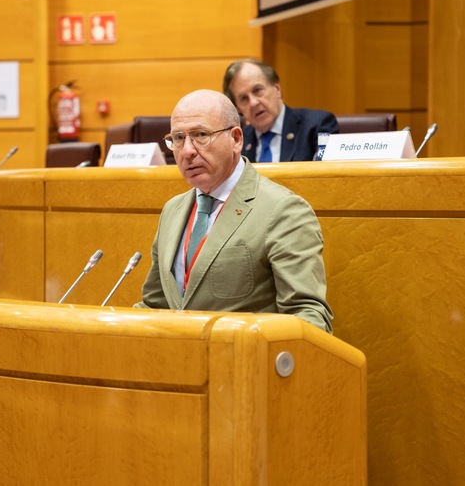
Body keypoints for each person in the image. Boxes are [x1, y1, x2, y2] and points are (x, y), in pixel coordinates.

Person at [134, 89, 333, 333]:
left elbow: (309, 318)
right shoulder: (172, 211)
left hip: (246, 365)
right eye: (177, 138)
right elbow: (156, 306)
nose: (187, 151)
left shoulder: (283, 210)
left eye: (200, 135)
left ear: (236, 139)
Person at [222, 58, 339, 162]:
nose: (253, 102)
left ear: (277, 89)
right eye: (243, 98)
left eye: (258, 90)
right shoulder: (237, 142)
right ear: (238, 109)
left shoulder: (316, 125)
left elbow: (326, 181)